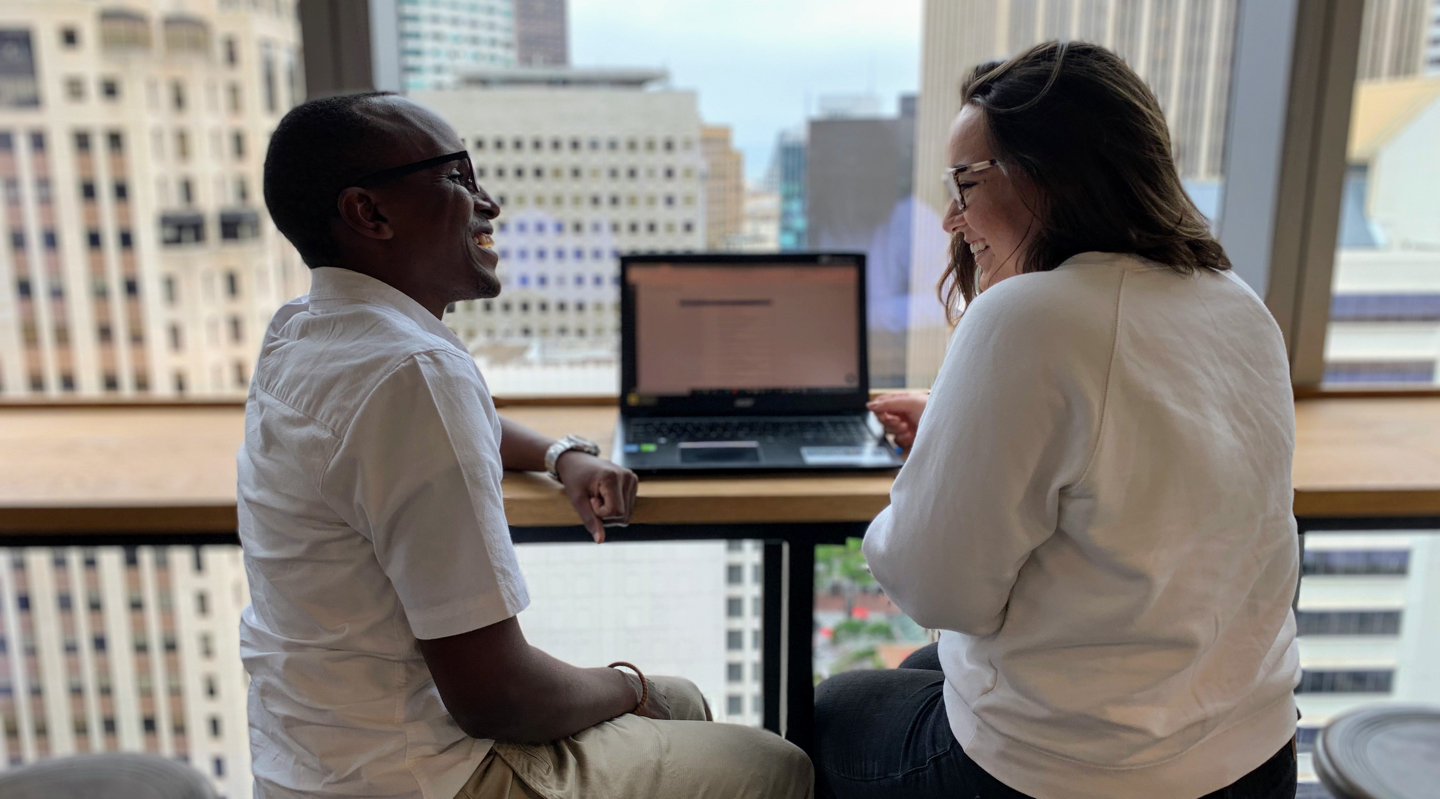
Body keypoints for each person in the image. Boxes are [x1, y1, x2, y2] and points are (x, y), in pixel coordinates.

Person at [240, 92, 813, 799]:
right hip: (420, 775)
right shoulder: (414, 373)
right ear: (370, 213)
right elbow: (498, 699)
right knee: (774, 764)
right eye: (458, 177)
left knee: (683, 702)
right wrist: (629, 686)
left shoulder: (308, 328)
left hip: (310, 758)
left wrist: (560, 455)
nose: (490, 203)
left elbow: (447, 423)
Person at [812, 41, 1300, 799]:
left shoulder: (1029, 316)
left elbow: (938, 592)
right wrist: (960, 425)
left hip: (1075, 775)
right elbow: (1135, 446)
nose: (950, 218)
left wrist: (932, 471)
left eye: (965, 183)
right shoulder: (1235, 301)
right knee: (919, 670)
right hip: (1253, 755)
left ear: (1052, 173)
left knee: (833, 707)